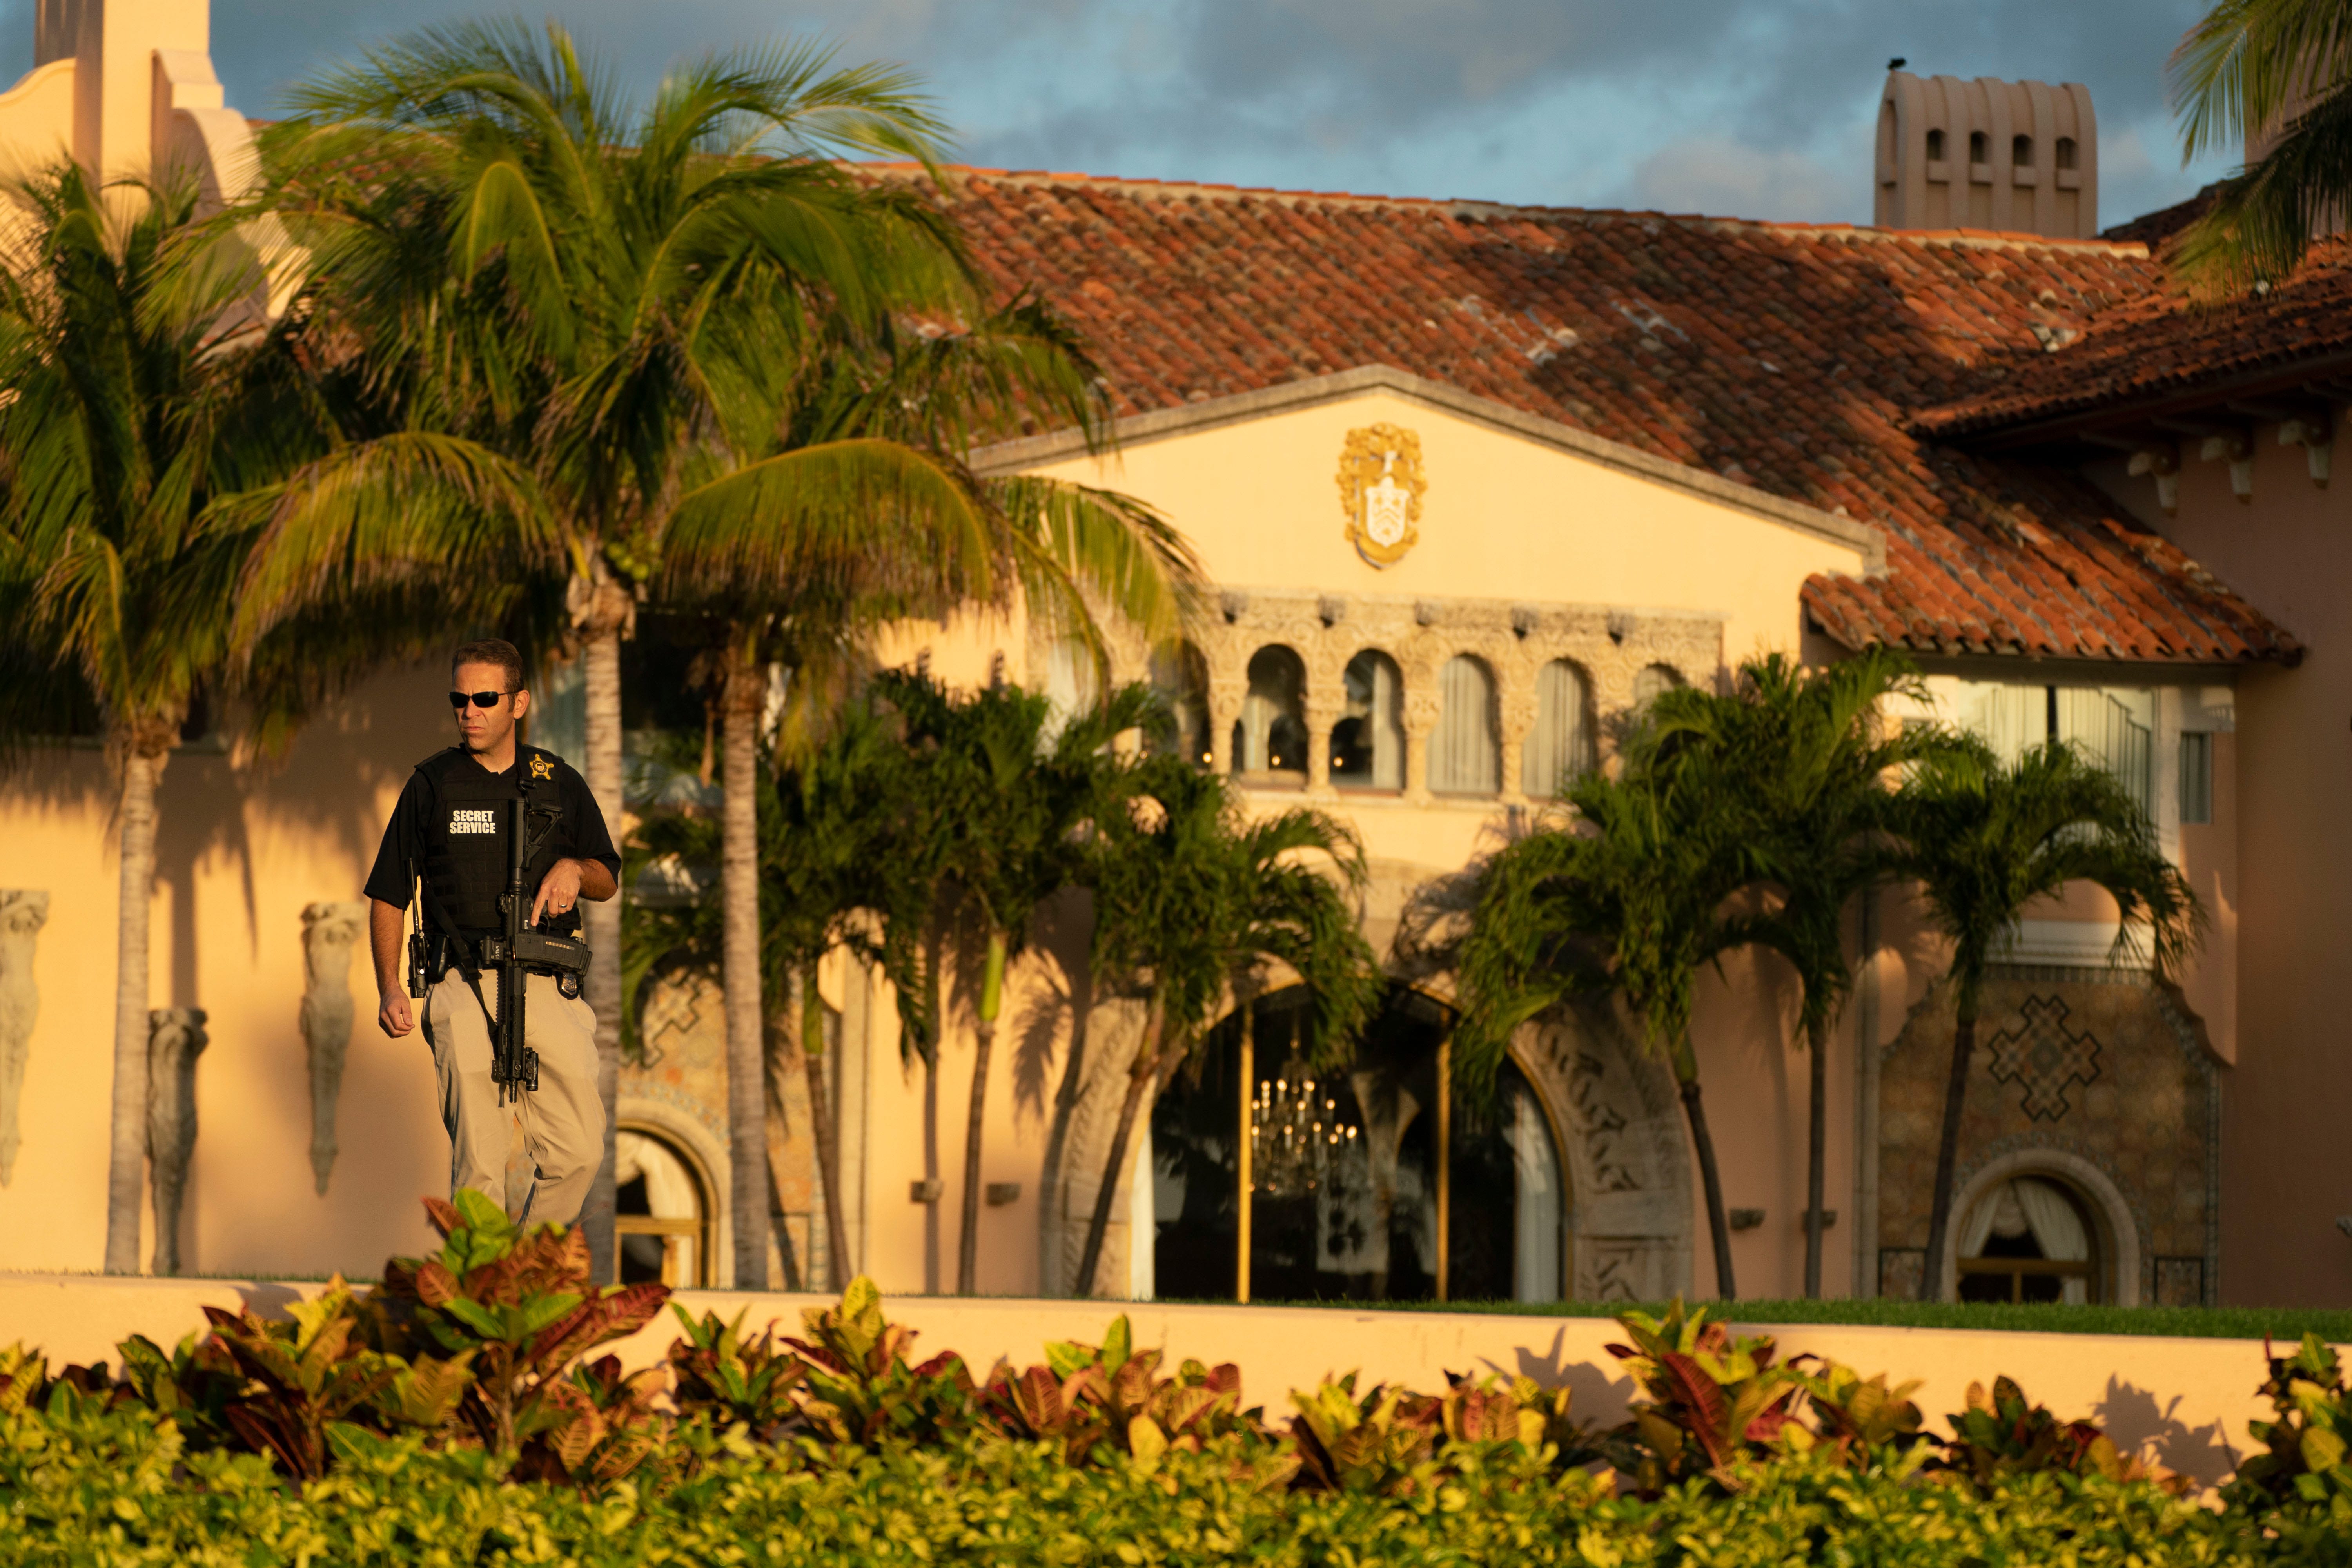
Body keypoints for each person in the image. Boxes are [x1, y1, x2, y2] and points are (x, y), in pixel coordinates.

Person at [365, 639, 619, 1225]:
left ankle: (523, 1280)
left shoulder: (558, 781)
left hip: (547, 982)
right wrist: (389, 987)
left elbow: (606, 875)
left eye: (484, 698)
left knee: (579, 1153)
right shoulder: (431, 785)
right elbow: (387, 894)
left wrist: (575, 869)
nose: (470, 710)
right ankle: (478, 1295)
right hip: (462, 982)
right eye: (460, 698)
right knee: (479, 1162)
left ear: (518, 703)